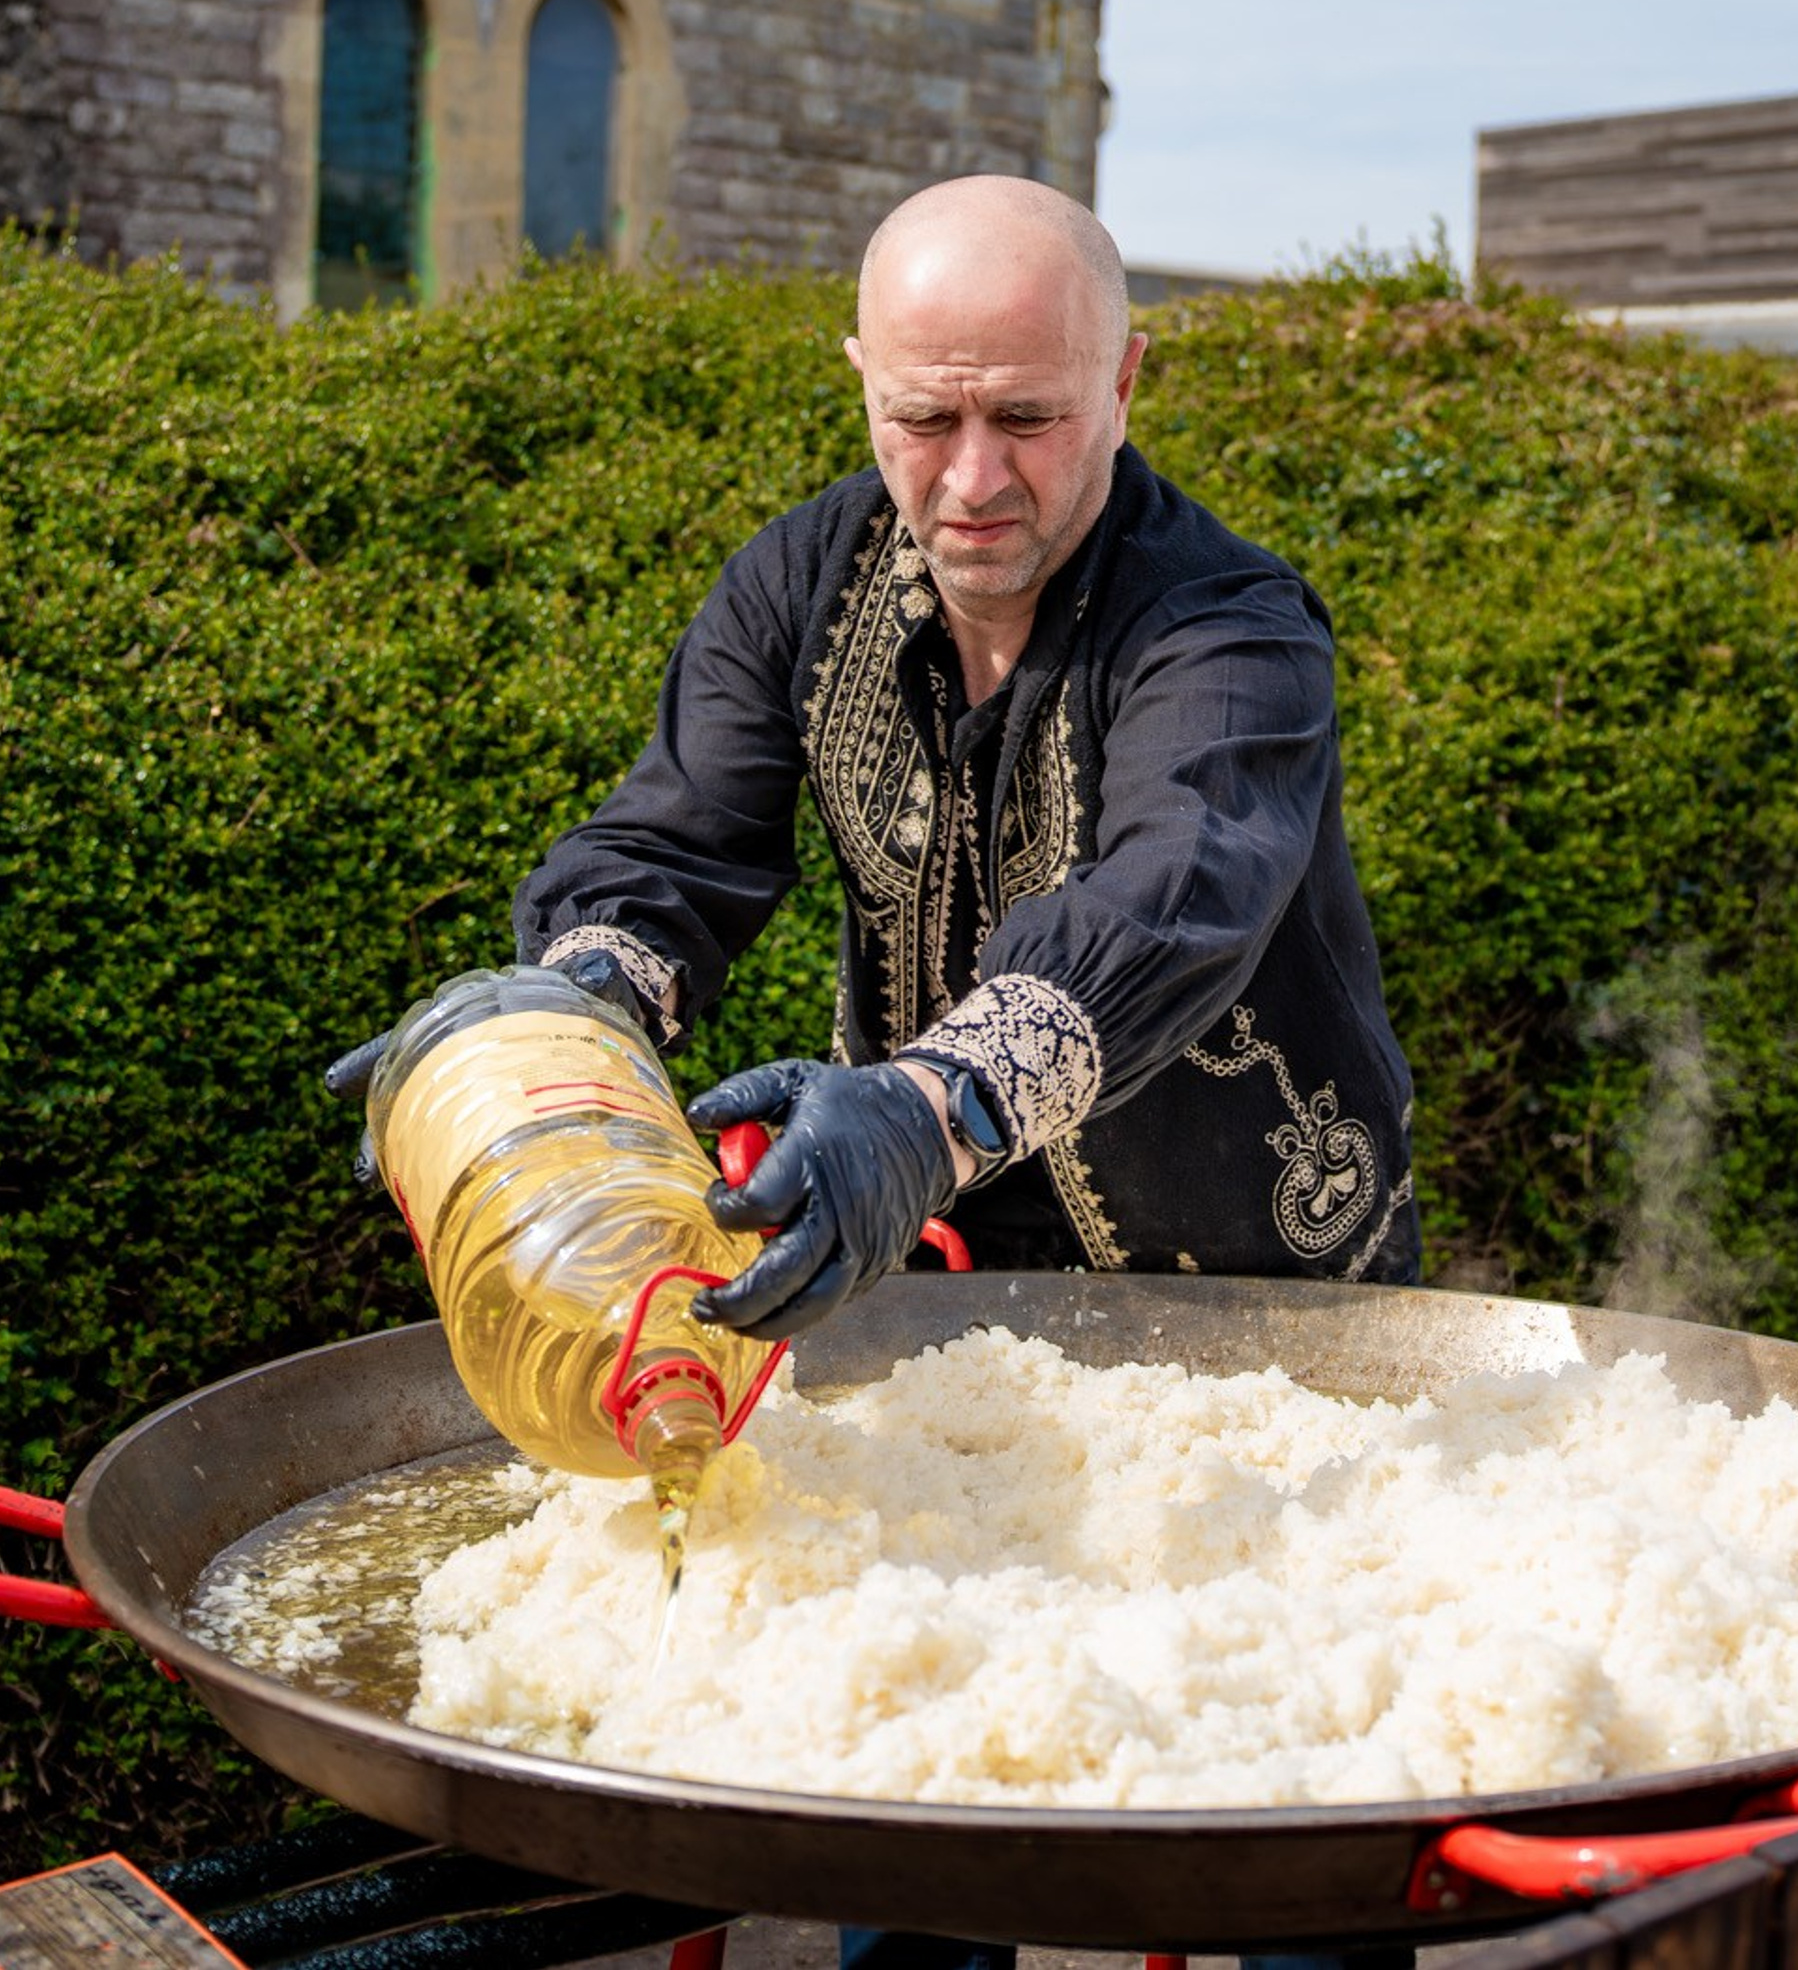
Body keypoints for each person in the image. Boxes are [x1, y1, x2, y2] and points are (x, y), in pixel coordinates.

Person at [329, 172, 1419, 1970]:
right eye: (925, 417)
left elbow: (1176, 893)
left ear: (1129, 380)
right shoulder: (799, 585)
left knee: (1308, 1791)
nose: (973, 480)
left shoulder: (1230, 626)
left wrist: (929, 1106)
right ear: (860, 384)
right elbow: (673, 850)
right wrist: (552, 1024)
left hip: (1264, 1306)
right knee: (913, 1775)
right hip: (944, 1310)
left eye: (1029, 418)